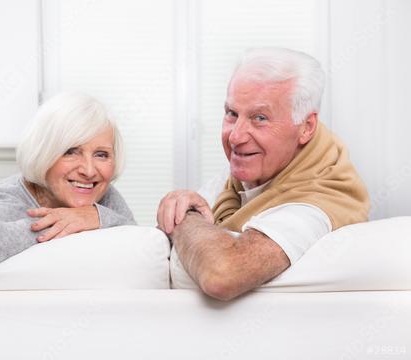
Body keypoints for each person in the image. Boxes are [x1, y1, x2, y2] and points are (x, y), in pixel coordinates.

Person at [157, 47, 369, 301]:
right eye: (231, 114)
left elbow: (223, 275)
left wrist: (186, 217)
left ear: (306, 127)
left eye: (260, 118)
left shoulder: (317, 205)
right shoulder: (237, 180)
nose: (235, 136)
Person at [0, 92, 135, 281]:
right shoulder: (5, 201)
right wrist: (60, 223)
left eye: (101, 154)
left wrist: (97, 217)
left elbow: (140, 248)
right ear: (43, 152)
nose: (89, 170)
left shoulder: (98, 195)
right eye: (70, 151)